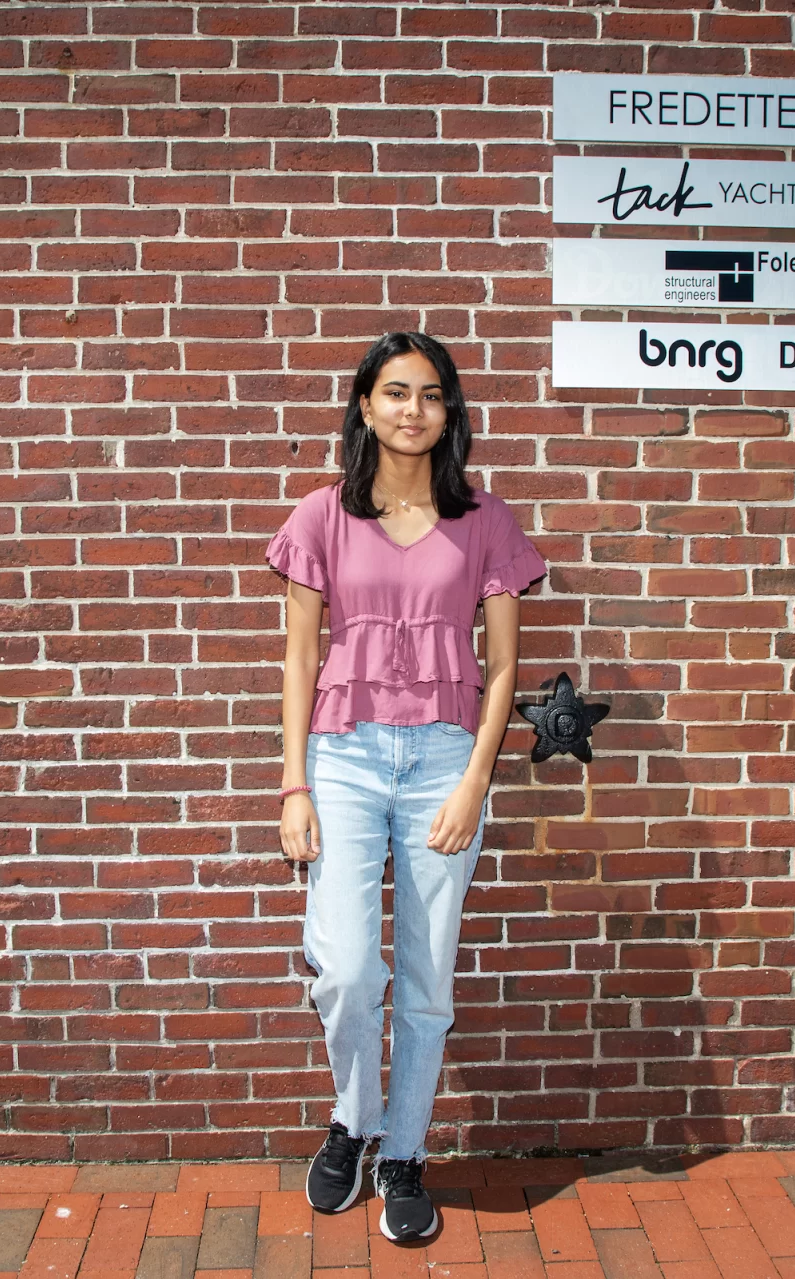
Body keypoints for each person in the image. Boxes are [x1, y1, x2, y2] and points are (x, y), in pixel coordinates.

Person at [266, 332, 546, 1243]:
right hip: (342, 757)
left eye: (430, 394)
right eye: (394, 392)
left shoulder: (486, 521)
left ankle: (404, 1152)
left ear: (449, 412)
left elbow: (501, 668)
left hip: (440, 763)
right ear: (363, 406)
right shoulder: (320, 516)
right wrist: (293, 785)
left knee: (426, 983)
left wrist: (473, 782)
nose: (412, 409)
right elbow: (301, 657)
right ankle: (354, 1119)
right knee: (347, 968)